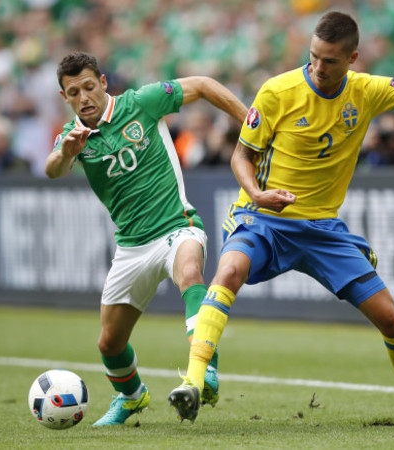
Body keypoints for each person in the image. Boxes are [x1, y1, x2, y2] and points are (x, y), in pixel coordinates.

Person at [168, 11, 394, 426]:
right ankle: (193, 381)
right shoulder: (278, 91)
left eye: (330, 60)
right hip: (264, 218)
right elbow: (243, 155)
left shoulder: (366, 91)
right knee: (229, 272)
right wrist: (258, 193)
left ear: (353, 59)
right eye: (313, 56)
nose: (318, 67)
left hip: (322, 230)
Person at [46, 51, 247, 426]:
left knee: (190, 272)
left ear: (103, 83)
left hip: (177, 226)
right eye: (74, 93)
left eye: (89, 87)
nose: (84, 98)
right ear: (65, 97)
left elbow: (202, 85)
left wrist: (250, 121)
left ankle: (205, 372)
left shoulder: (141, 102)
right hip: (131, 247)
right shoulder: (73, 137)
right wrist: (66, 153)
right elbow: (52, 169)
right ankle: (131, 396)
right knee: (109, 344)